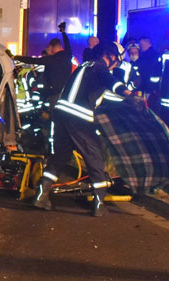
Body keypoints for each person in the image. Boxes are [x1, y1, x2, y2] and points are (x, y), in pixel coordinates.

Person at [33, 42, 135, 217]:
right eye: (117, 61)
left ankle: (42, 195)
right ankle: (99, 203)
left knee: (60, 156)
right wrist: (130, 95)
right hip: (79, 117)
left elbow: (103, 93)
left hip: (60, 114)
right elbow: (112, 84)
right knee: (94, 156)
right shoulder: (101, 68)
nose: (116, 65)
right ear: (109, 56)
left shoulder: (85, 66)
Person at [14, 22, 72, 109]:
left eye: (49, 48)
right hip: (66, 93)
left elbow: (31, 60)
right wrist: (63, 32)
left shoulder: (51, 60)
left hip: (53, 94)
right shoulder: (68, 55)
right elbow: (68, 45)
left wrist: (15, 57)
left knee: (52, 116)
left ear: (53, 47)